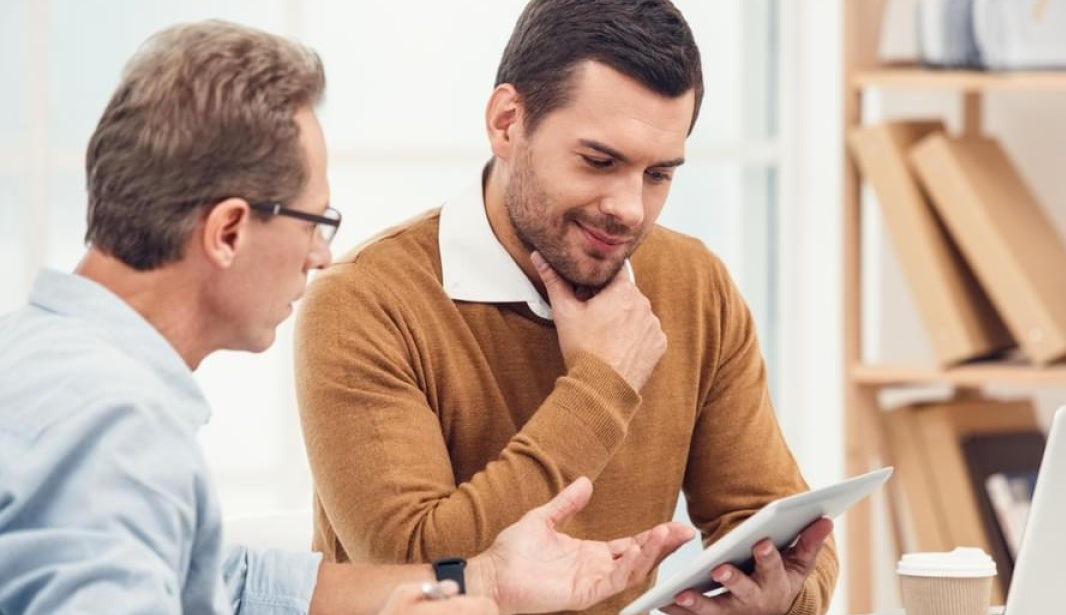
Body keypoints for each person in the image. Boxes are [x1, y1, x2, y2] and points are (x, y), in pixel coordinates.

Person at [0, 20, 694, 615]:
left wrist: (473, 578)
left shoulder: (57, 363)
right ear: (229, 231)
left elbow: (225, 584)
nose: (323, 256)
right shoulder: (111, 422)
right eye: (314, 221)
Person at [294, 1, 839, 614]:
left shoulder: (695, 285)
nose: (629, 208)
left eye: (658, 174)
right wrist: (601, 387)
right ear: (507, 122)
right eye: (599, 161)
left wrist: (778, 597)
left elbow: (785, 530)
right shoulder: (364, 304)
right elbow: (412, 573)